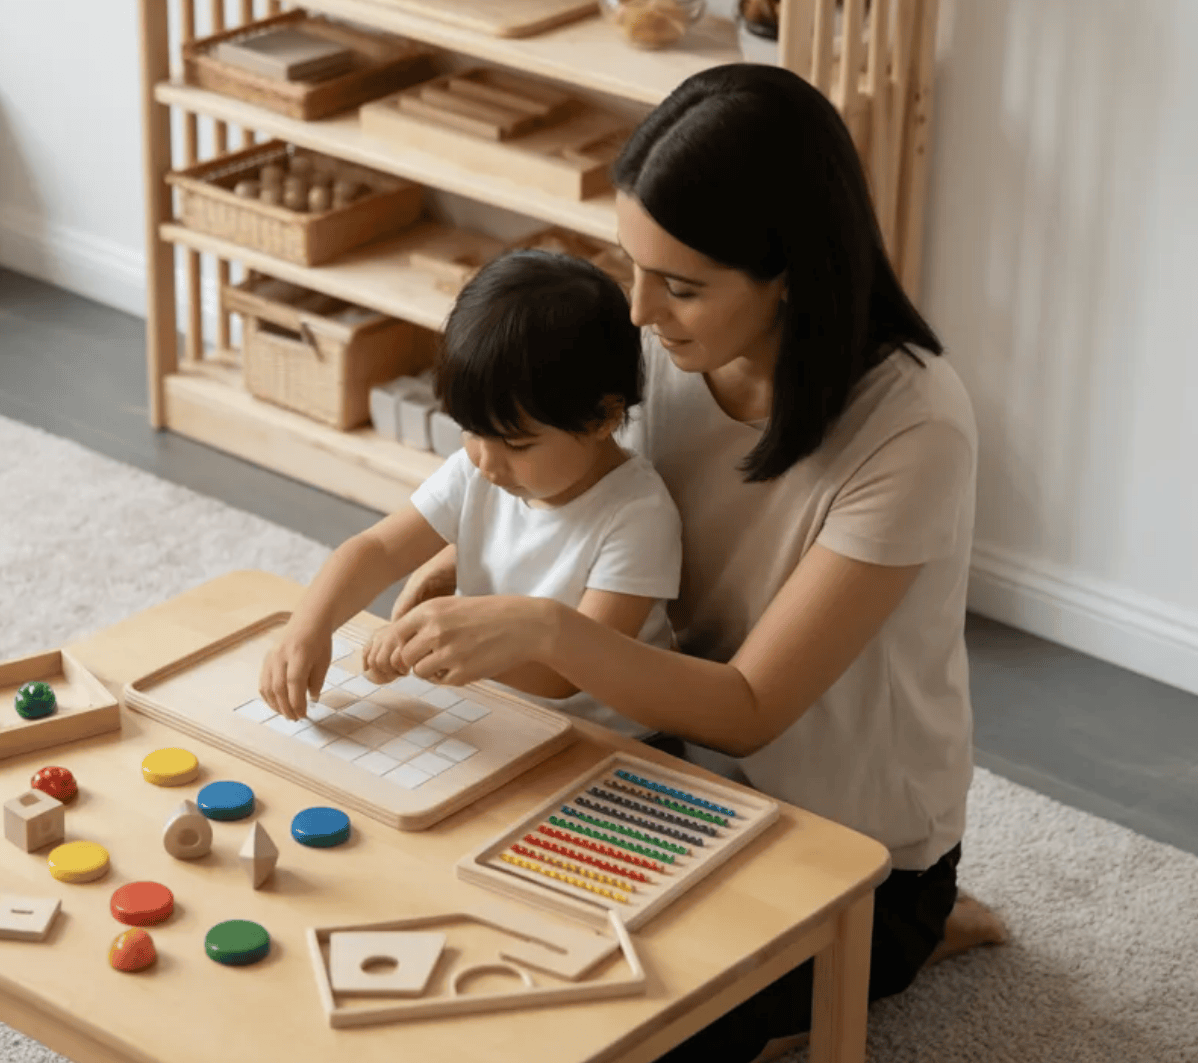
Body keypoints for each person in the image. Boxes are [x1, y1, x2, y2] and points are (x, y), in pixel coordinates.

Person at [366, 63, 1006, 1062]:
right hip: (655, 768)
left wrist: (540, 627)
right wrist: (473, 561)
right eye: (634, 266)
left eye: (681, 284)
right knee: (425, 909)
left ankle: (921, 929)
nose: (638, 311)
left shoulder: (914, 429)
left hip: (840, 847)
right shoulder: (656, 355)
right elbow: (575, 496)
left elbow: (752, 703)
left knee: (607, 1033)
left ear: (789, 271)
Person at [259, 249, 682, 739]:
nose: (485, 460)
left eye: (517, 443)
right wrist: (308, 626)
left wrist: (440, 651)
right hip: (497, 714)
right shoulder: (480, 471)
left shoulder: (638, 515)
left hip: (610, 744)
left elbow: (568, 673)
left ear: (604, 418)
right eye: (470, 431)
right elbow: (377, 549)